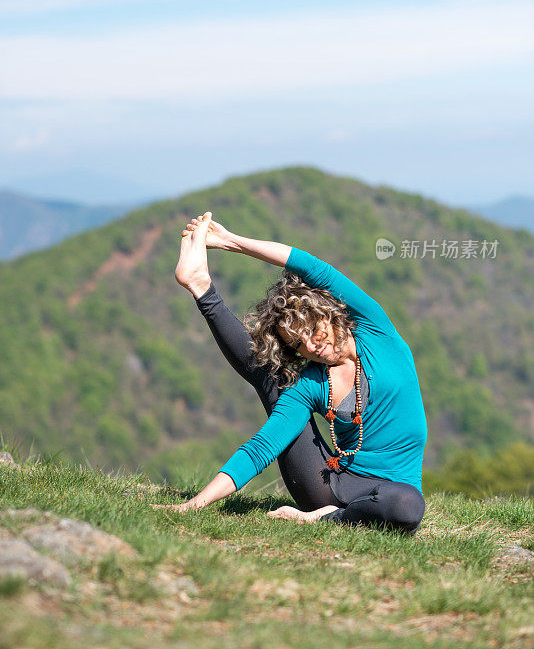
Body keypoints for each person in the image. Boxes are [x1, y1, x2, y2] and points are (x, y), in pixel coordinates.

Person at [153, 211, 427, 535]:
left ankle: (330, 518)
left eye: (313, 329)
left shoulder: (377, 332)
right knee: (272, 380)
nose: (312, 346)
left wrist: (230, 241)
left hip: (394, 489)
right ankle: (202, 288)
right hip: (328, 485)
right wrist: (193, 505)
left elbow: (311, 267)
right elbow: (262, 447)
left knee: (406, 506)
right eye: (298, 344)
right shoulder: (313, 382)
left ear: (328, 312)